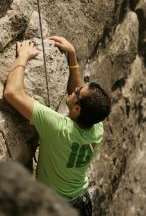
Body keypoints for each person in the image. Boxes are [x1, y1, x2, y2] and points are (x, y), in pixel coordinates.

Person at [4, 36, 111, 216]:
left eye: (78, 92)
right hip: (81, 204)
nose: (76, 89)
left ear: (77, 109)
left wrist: (22, 57)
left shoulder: (58, 127)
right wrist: (72, 55)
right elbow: (79, 97)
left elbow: (12, 93)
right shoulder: (96, 127)